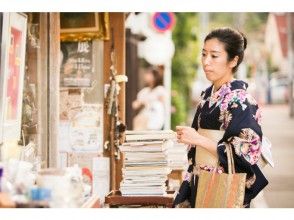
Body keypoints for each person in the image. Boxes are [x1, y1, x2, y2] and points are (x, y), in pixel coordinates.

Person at [173, 27, 268, 208]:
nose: (206, 62)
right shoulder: (206, 99)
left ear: (233, 60)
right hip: (200, 181)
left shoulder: (241, 101)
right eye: (204, 54)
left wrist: (198, 139)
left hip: (224, 186)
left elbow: (246, 153)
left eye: (214, 56)